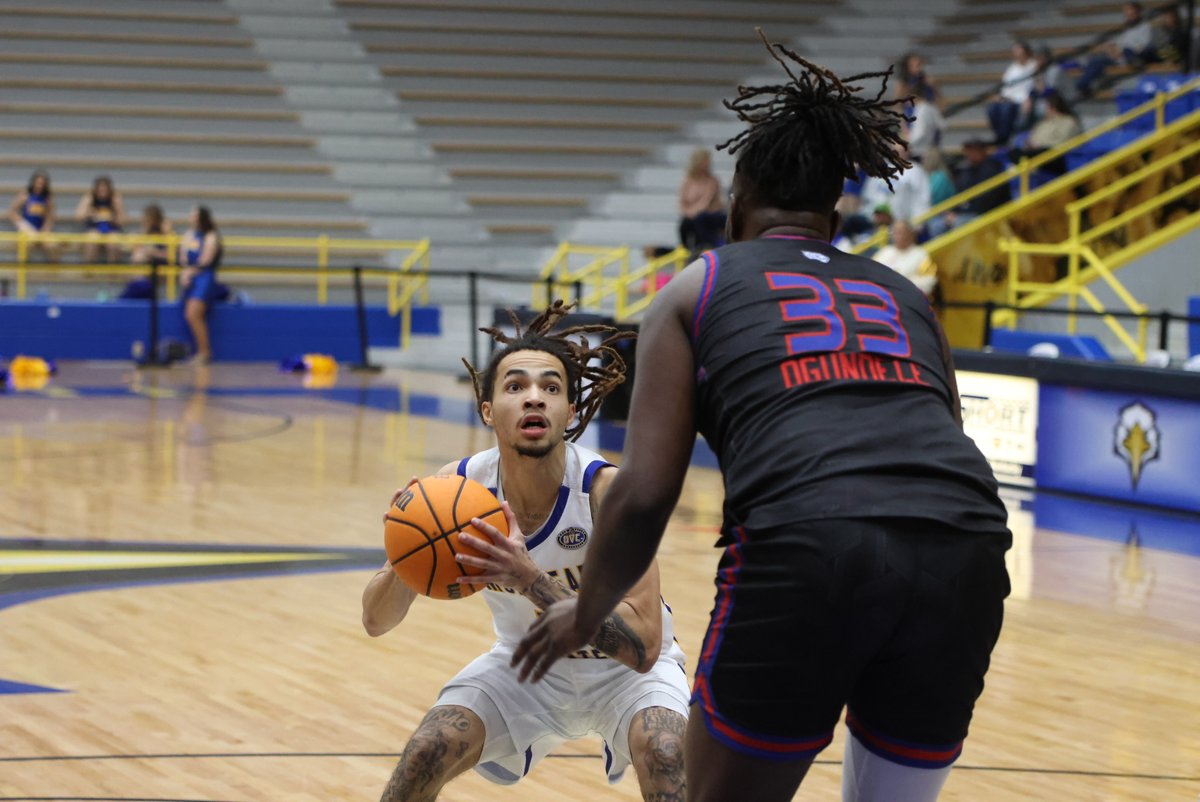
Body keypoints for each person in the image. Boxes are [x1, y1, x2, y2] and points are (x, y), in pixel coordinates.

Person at [513, 35, 1011, 802]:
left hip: (811, 540)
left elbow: (647, 491)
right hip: (967, 549)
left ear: (737, 202)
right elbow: (938, 435)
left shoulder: (698, 286)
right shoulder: (905, 296)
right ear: (836, 212)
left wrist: (587, 611)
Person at [362, 302, 690, 802]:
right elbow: (375, 621)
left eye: (551, 388)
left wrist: (528, 578)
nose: (534, 398)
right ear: (488, 410)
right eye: (516, 386)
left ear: (570, 411)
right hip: (525, 666)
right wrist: (405, 551)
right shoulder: (456, 489)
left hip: (625, 675)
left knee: (666, 749)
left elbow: (643, 649)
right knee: (427, 748)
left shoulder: (607, 493)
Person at [1075, 2, 1155, 99]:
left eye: (1132, 14)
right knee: (1095, 61)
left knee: (1127, 50)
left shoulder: (1145, 27)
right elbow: (1114, 42)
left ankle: (1134, 62)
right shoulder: (1124, 28)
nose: (1129, 16)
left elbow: (1142, 47)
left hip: (1133, 55)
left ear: (1139, 13)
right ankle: (1082, 87)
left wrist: (1120, 50)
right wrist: (1111, 49)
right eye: (1127, 14)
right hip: (1119, 57)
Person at [179, 206, 223, 364]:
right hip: (191, 278)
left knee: (193, 313)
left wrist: (191, 272)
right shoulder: (189, 235)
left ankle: (205, 352)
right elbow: (183, 257)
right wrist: (185, 272)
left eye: (194, 215)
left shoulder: (210, 236)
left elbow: (206, 260)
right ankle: (201, 351)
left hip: (204, 278)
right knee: (189, 315)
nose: (191, 218)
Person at [1009, 93, 1082, 176]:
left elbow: (1063, 142)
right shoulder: (1042, 123)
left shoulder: (1069, 122)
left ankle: (1027, 167)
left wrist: (1039, 146)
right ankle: (1029, 167)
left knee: (1042, 152)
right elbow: (1032, 138)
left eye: (1045, 106)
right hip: (1035, 152)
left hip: (1055, 155)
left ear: (1053, 107)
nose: (1043, 109)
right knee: (1014, 152)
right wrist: (1030, 144)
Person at [986, 41, 1038, 145]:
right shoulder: (1012, 68)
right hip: (1009, 97)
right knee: (992, 108)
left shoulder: (1034, 65)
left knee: (1006, 109)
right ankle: (1000, 136)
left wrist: (1028, 98)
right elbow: (1005, 85)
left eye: (1018, 50)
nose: (1016, 53)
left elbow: (1032, 85)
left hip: (1022, 99)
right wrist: (1000, 96)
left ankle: (1005, 137)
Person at [121, 204, 175, 300]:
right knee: (138, 255)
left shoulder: (165, 234)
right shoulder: (145, 232)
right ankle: (138, 283)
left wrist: (152, 252)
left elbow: (170, 255)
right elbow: (136, 249)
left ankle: (134, 288)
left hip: (160, 264)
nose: (145, 221)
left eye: (148, 218)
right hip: (146, 265)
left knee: (140, 255)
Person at [678, 148, 727, 253]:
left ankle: (705, 246)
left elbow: (706, 201)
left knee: (700, 219)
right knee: (684, 224)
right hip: (693, 214)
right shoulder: (687, 180)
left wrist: (693, 213)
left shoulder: (712, 180)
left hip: (711, 213)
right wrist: (689, 213)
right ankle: (687, 250)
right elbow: (682, 203)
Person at [874, 220, 937, 297]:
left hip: (909, 300)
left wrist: (901, 284)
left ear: (911, 234)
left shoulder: (921, 254)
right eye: (895, 232)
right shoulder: (884, 252)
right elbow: (873, 275)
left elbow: (929, 281)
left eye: (901, 232)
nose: (897, 236)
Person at [7, 169, 59, 261]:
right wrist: (22, 224)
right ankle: (22, 271)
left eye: (42, 183)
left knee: (53, 245)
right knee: (26, 244)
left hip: (41, 230)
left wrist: (46, 228)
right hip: (27, 229)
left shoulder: (47, 198)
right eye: (38, 183)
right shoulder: (26, 194)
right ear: (33, 182)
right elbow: (12, 212)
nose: (40, 185)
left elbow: (50, 216)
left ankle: (54, 270)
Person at [74, 175, 125, 264]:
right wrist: (89, 213)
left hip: (111, 228)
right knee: (92, 240)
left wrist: (112, 218)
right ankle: (89, 269)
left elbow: (123, 220)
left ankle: (112, 270)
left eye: (105, 190)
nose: (102, 192)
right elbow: (78, 216)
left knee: (113, 242)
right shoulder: (89, 197)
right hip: (94, 228)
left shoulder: (115, 198)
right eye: (100, 190)